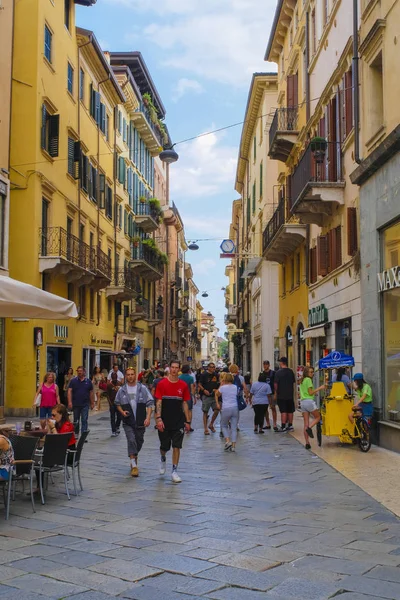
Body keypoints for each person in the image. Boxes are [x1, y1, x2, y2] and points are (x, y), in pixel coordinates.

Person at [155, 360, 191, 483]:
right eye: (172, 367)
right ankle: (163, 457)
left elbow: (185, 403)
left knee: (177, 446)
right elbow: (158, 402)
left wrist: (188, 421)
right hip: (165, 420)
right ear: (169, 369)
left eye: (176, 367)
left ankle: (174, 471)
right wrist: (158, 418)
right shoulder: (162, 384)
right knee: (164, 446)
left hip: (178, 421)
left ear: (179, 369)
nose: (174, 370)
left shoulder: (183, 385)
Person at [115, 368, 154, 477]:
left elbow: (150, 403)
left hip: (141, 421)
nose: (130, 376)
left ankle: (134, 457)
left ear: (135, 375)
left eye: (132, 374)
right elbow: (117, 403)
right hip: (128, 421)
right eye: (128, 375)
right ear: (126, 376)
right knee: (131, 440)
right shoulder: (122, 390)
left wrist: (148, 418)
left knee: (139, 441)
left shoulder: (143, 388)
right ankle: (134, 466)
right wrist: (122, 412)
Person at [299, 366, 326, 449]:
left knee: (305, 423)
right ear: (307, 373)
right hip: (309, 402)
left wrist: (314, 393)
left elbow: (306, 392)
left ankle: (307, 443)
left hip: (303, 402)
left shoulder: (302, 381)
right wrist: (320, 388)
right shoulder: (308, 380)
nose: (312, 373)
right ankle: (309, 428)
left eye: (313, 372)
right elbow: (310, 393)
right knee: (318, 417)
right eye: (311, 372)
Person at [215, 373, 239, 452]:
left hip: (226, 408)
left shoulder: (223, 388)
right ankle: (233, 446)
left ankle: (228, 441)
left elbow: (217, 394)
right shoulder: (235, 387)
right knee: (234, 427)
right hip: (235, 407)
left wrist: (221, 385)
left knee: (224, 425)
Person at [67, 366, 95, 435]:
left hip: (85, 404)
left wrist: (92, 403)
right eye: (78, 371)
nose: (79, 372)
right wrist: (69, 402)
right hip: (76, 403)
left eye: (80, 371)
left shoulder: (88, 382)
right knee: (76, 420)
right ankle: (76, 434)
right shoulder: (73, 381)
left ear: (84, 372)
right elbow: (69, 391)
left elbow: (91, 392)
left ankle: (83, 435)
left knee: (84, 420)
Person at [274, 357, 296, 432]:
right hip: (290, 394)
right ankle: (290, 425)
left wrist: (276, 392)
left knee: (283, 411)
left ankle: (283, 426)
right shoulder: (291, 372)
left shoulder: (278, 373)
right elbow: (293, 382)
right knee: (290, 410)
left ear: (282, 363)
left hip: (281, 394)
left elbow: (276, 384)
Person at [198, 362, 220, 435]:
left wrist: (217, 390)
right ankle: (205, 429)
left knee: (217, 410)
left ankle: (211, 424)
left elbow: (219, 383)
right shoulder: (204, 374)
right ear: (208, 367)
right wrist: (204, 390)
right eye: (211, 367)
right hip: (206, 396)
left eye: (214, 367)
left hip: (214, 396)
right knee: (205, 412)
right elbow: (199, 384)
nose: (213, 368)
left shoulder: (216, 375)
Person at [259, 360, 278, 431]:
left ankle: (275, 424)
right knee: (265, 409)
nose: (265, 366)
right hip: (264, 394)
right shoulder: (261, 373)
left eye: (266, 364)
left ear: (269, 365)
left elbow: (275, 384)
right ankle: (268, 424)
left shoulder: (273, 373)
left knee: (273, 408)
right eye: (264, 364)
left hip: (272, 393)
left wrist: (276, 393)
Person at [229, 364, 248, 432]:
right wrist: (247, 396)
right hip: (238, 396)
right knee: (236, 412)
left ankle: (230, 421)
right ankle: (236, 425)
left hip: (229, 397)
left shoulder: (228, 377)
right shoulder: (241, 378)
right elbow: (245, 388)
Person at [179, 364, 196, 432]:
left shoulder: (179, 377)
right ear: (188, 370)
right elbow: (192, 388)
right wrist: (194, 396)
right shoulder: (190, 378)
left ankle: (182, 424)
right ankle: (189, 425)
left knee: (181, 410)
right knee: (189, 410)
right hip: (188, 396)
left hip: (180, 396)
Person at [107, 372, 122, 437]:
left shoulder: (120, 383)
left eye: (115, 377)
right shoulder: (109, 385)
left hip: (119, 403)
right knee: (112, 418)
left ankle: (117, 426)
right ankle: (113, 430)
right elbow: (107, 395)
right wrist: (110, 404)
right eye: (113, 377)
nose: (114, 378)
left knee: (119, 417)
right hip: (112, 403)